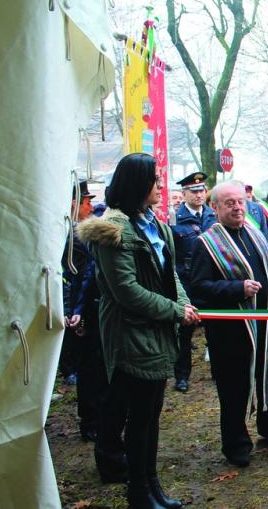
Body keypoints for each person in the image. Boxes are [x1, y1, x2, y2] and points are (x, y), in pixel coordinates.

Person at [77, 153, 198, 509]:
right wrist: (175, 311)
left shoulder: (153, 224)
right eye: (155, 180)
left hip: (156, 329)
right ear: (137, 184)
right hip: (131, 334)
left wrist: (183, 303)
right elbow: (126, 291)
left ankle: (152, 486)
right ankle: (139, 492)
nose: (160, 186)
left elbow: (169, 274)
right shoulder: (112, 230)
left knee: (151, 414)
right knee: (139, 417)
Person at [189, 182, 268, 468]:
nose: (237, 207)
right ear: (215, 207)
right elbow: (198, 288)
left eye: (240, 202)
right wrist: (237, 288)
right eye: (230, 203)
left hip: (264, 323)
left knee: (266, 375)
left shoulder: (254, 233)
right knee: (234, 388)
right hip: (231, 332)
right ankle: (236, 444)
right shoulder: (206, 243)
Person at [61, 180, 102, 442]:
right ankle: (89, 422)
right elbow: (72, 279)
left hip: (89, 308)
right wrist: (72, 311)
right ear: (74, 203)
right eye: (87, 201)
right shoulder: (70, 237)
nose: (90, 207)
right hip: (82, 313)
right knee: (89, 369)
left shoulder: (82, 232)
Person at [171, 172, 216, 393]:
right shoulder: (174, 219)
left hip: (211, 280)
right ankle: (181, 376)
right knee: (185, 330)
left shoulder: (212, 215)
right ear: (184, 193)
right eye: (194, 191)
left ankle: (217, 369)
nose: (199, 195)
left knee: (215, 328)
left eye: (202, 190)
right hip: (187, 281)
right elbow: (172, 255)